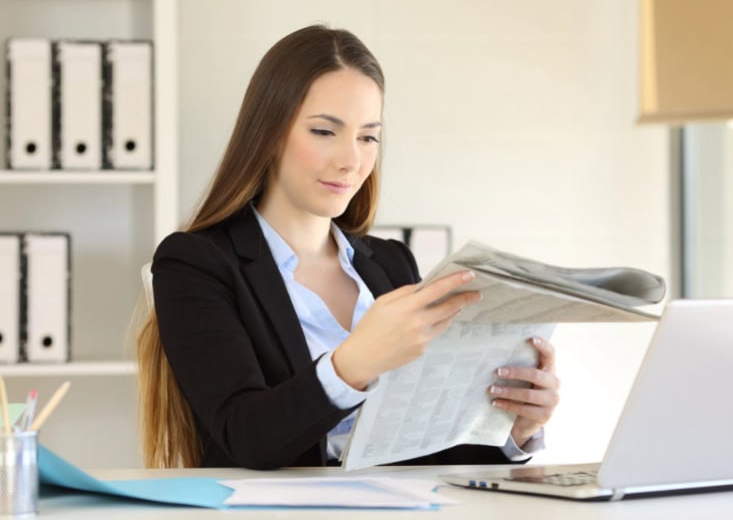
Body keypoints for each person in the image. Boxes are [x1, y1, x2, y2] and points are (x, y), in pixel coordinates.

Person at [136, 24, 560, 469]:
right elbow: (244, 436)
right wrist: (352, 365)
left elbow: (426, 452)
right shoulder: (195, 263)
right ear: (269, 132)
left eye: (367, 136)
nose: (351, 161)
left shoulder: (391, 264)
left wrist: (514, 431)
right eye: (324, 131)